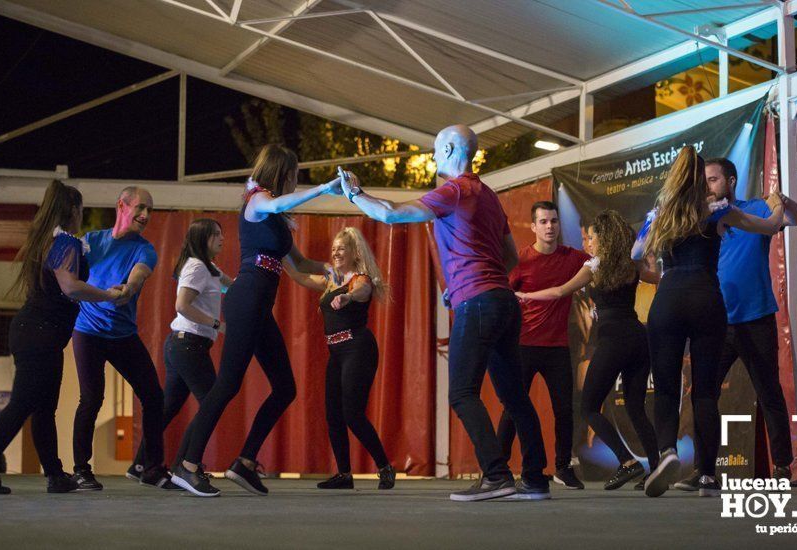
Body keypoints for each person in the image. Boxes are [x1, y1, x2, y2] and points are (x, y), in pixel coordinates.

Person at [339, 124, 550, 502]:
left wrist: (355, 193)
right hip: (502, 301)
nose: (433, 157)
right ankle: (535, 480)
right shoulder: (487, 195)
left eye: (437, 150)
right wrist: (471, 280)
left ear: (452, 149)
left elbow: (391, 214)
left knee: (462, 393)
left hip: (480, 304)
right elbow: (510, 258)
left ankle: (497, 475)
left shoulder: (453, 190)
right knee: (515, 396)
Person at [171, 144, 342, 497]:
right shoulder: (257, 201)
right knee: (227, 386)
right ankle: (186, 466)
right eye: (294, 174)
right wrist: (325, 188)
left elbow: (300, 263)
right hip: (246, 299)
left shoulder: (276, 222)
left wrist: (330, 269)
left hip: (259, 306)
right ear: (280, 173)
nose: (296, 181)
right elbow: (277, 203)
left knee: (285, 387)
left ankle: (245, 462)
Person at [638, 146, 785, 498]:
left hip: (669, 299)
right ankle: (707, 476)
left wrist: (651, 223)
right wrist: (777, 203)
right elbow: (769, 225)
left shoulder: (662, 213)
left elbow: (635, 254)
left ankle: (667, 452)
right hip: (707, 298)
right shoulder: (718, 210)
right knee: (705, 392)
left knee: (668, 387)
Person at [0, 181, 121, 494]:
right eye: (81, 209)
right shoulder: (65, 243)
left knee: (43, 407)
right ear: (73, 211)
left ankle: (55, 474)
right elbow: (71, 287)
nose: (82, 214)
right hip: (40, 334)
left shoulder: (47, 242)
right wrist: (108, 294)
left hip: (36, 333)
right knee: (25, 402)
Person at [673, 157, 797, 491]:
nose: (707, 186)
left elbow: (796, 219)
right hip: (715, 322)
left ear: (730, 181)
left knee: (768, 391)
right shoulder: (699, 219)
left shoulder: (756, 209)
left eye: (713, 180)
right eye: (703, 181)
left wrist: (783, 202)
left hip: (756, 317)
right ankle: (705, 472)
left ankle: (782, 467)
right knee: (704, 394)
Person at [517, 210, 660, 490]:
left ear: (603, 239)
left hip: (614, 339)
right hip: (638, 338)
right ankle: (656, 468)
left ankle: (627, 462)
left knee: (589, 407)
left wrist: (525, 295)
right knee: (635, 406)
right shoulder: (632, 265)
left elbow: (560, 291)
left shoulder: (595, 266)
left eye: (592, 237)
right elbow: (658, 278)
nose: (589, 242)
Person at [71, 186, 174, 491]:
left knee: (154, 396)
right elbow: (71, 278)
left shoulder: (145, 250)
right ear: (121, 206)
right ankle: (81, 471)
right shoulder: (91, 241)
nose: (145, 216)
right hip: (87, 333)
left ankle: (151, 468)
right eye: (140, 208)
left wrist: (128, 289)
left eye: (150, 211)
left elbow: (139, 275)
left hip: (122, 335)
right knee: (91, 399)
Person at [285, 227, 395, 490]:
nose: (335, 252)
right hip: (336, 352)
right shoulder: (331, 279)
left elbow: (362, 292)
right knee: (333, 414)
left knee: (352, 414)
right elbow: (300, 276)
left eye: (341, 248)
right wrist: (277, 254)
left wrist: (347, 296)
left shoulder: (360, 278)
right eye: (333, 248)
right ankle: (344, 474)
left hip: (358, 348)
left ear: (354, 252)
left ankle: (385, 467)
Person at [126, 219, 233, 480]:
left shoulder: (209, 268)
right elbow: (182, 305)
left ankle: (140, 465)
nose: (222, 239)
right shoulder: (196, 266)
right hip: (188, 345)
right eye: (216, 235)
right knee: (211, 402)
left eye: (222, 234)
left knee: (168, 408)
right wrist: (218, 324)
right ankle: (183, 466)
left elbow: (230, 285)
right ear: (203, 238)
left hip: (184, 345)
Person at [495, 201, 590, 490]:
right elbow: (502, 297)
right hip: (523, 347)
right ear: (534, 227)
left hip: (557, 348)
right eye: (544, 222)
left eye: (554, 221)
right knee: (513, 409)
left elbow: (600, 261)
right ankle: (496, 469)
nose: (550, 227)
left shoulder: (573, 258)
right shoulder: (521, 260)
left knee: (564, 410)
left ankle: (563, 467)